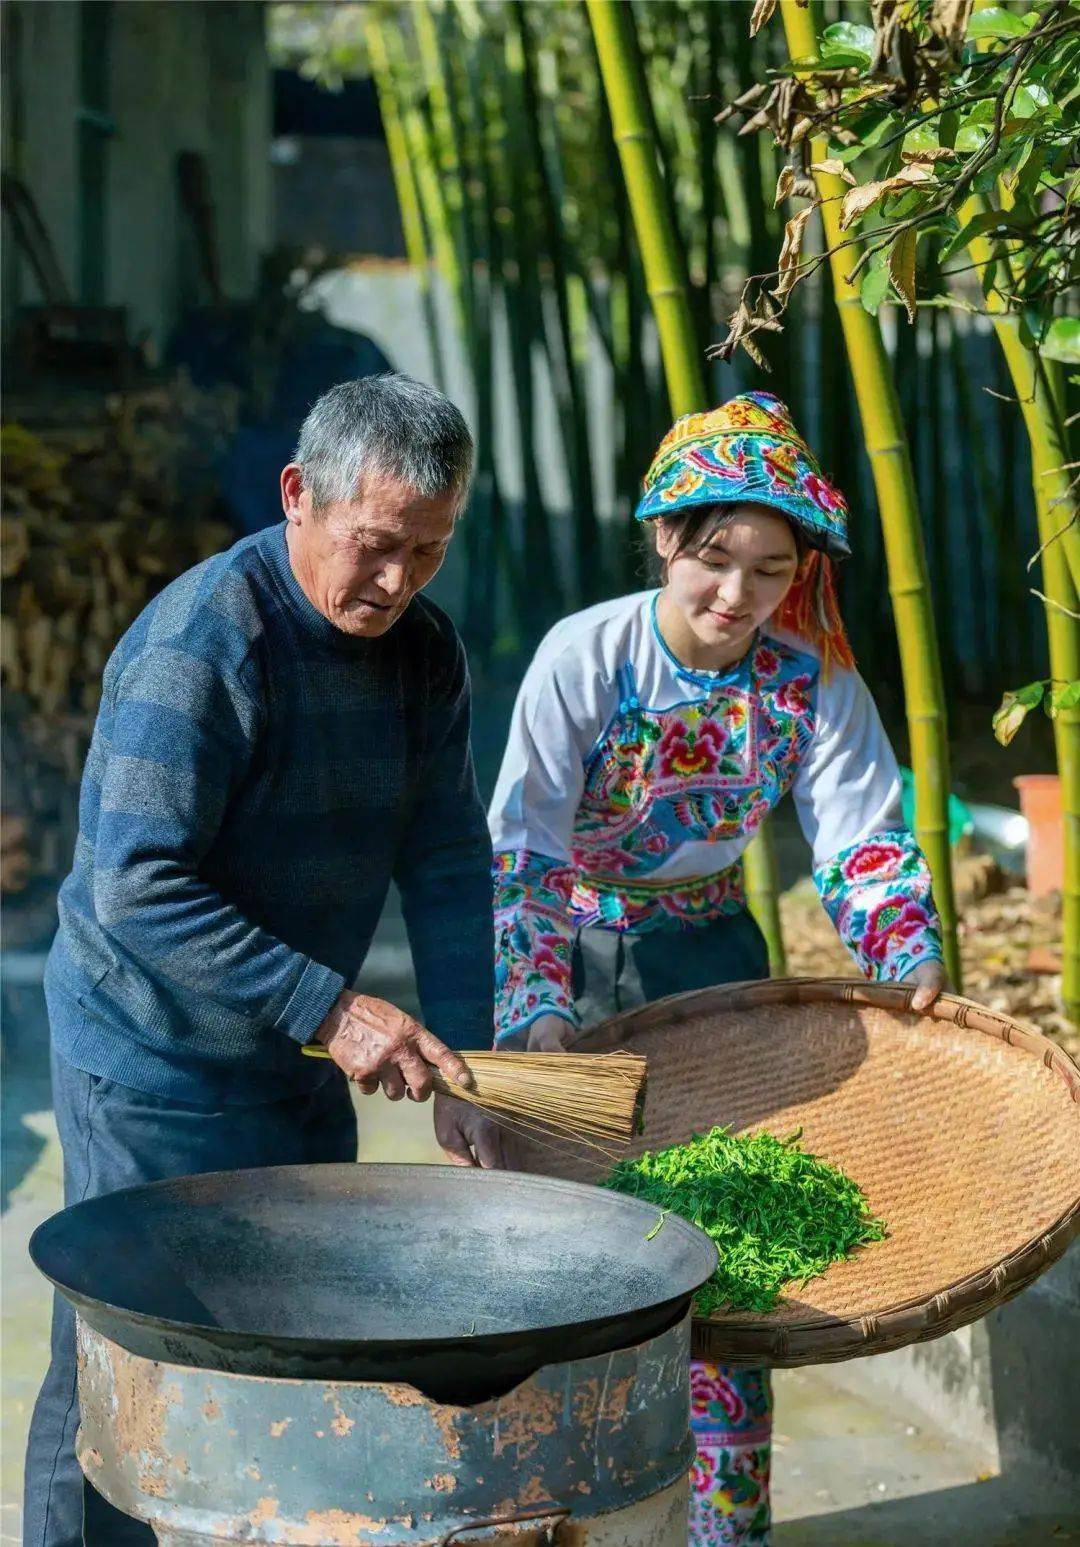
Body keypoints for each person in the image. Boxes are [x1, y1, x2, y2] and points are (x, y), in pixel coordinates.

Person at [24, 373, 498, 1547]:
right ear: (299, 494)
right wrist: (331, 1008)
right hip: (151, 1057)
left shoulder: (425, 654)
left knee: (296, 1335)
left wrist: (477, 1067)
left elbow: (445, 858)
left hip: (295, 1056)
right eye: (378, 546)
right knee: (124, 1355)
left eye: (429, 552)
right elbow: (137, 883)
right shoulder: (204, 642)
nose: (398, 583)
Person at [487, 391, 947, 1545]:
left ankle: (725, 1531)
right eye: (711, 558)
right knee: (564, 1263)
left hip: (715, 965)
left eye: (770, 568)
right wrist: (538, 1009)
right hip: (575, 969)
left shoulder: (814, 685)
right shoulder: (582, 655)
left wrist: (910, 959)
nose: (735, 595)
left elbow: (863, 842)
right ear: (660, 538)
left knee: (726, 1266)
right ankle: (561, 1517)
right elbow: (526, 850)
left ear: (802, 573)